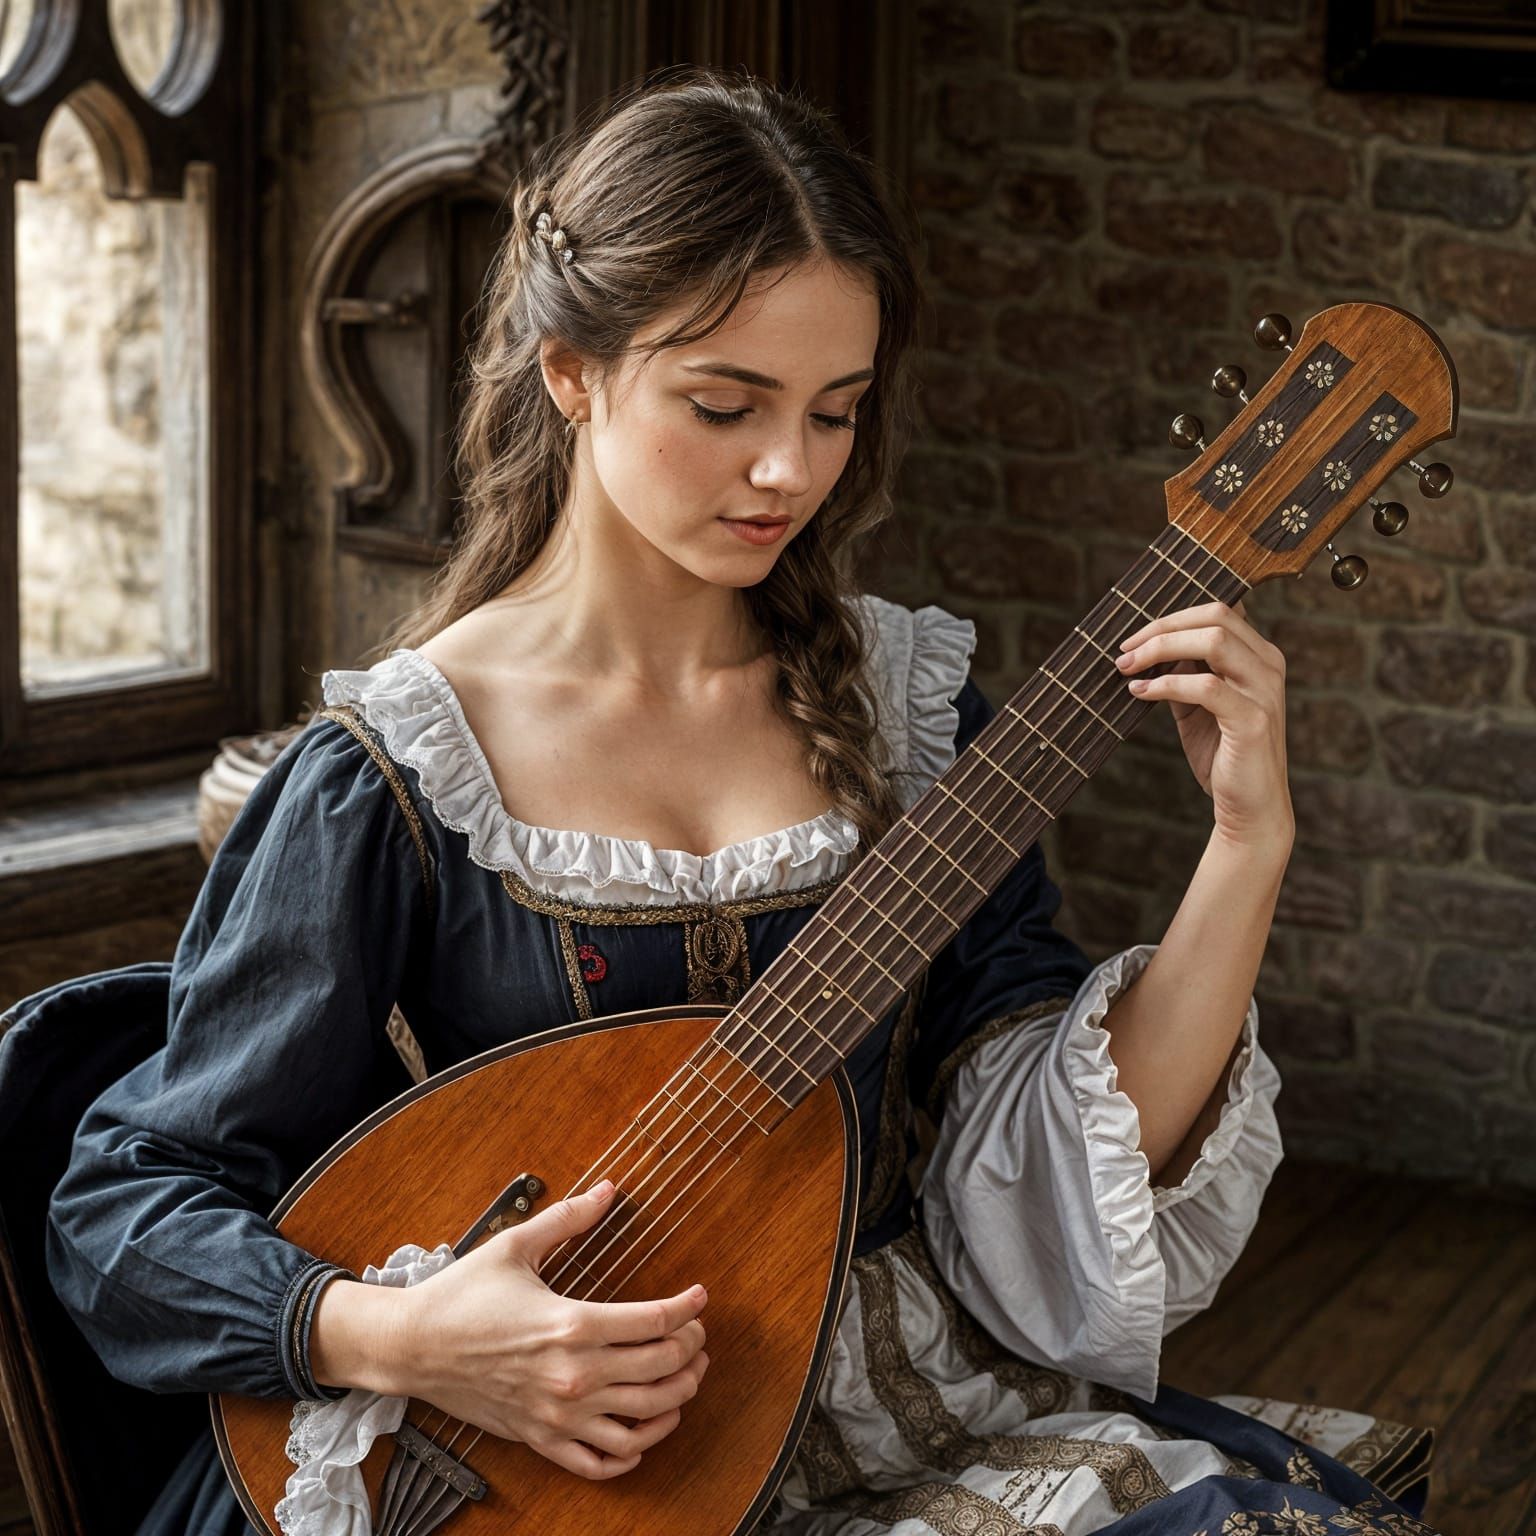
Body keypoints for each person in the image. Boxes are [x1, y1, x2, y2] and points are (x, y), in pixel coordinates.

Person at [45, 66, 1436, 1536]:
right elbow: (126, 1207)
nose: (789, 469)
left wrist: (1246, 843)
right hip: (500, 1455)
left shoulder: (902, 709)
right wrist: (412, 1337)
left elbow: (1051, 1155)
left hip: (869, 1414)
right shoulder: (394, 771)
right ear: (570, 370)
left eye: (835, 412)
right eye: (725, 403)